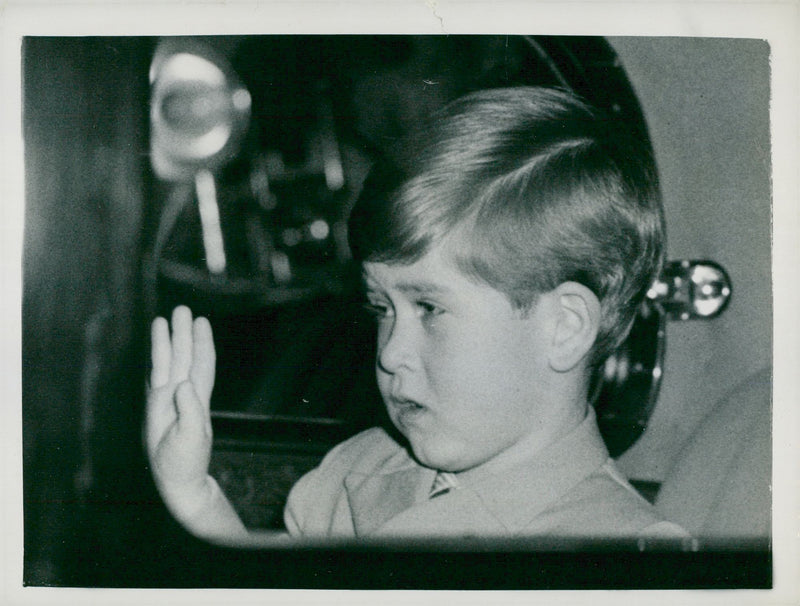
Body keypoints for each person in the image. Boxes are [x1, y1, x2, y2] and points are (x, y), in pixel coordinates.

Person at [146, 86, 687, 546]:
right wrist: (197, 498)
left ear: (564, 327)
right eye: (382, 307)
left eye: (429, 308)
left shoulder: (624, 558)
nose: (389, 353)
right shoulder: (353, 472)